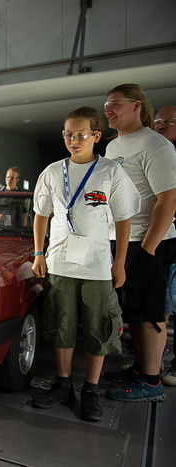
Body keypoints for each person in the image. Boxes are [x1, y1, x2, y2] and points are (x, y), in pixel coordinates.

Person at [31, 106, 140, 422]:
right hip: (60, 264)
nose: (73, 140)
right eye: (68, 134)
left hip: (96, 267)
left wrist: (119, 264)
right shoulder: (53, 171)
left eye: (80, 134)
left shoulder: (110, 171)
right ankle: (64, 384)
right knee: (61, 325)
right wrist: (39, 253)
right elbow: (41, 214)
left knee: (98, 327)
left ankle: (90, 388)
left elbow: (123, 219)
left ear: (96, 136)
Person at [101, 84, 176, 402]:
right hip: (121, 239)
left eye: (115, 103)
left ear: (136, 105)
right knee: (132, 308)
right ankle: (142, 367)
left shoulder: (155, 145)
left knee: (150, 311)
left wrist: (148, 248)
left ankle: (151, 380)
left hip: (148, 241)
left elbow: (168, 200)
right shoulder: (115, 146)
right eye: (106, 104)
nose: (108, 109)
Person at [154, 105, 176, 387]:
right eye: (158, 122)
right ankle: (152, 360)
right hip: (163, 239)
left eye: (168, 122)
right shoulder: (158, 153)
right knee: (162, 303)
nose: (161, 126)